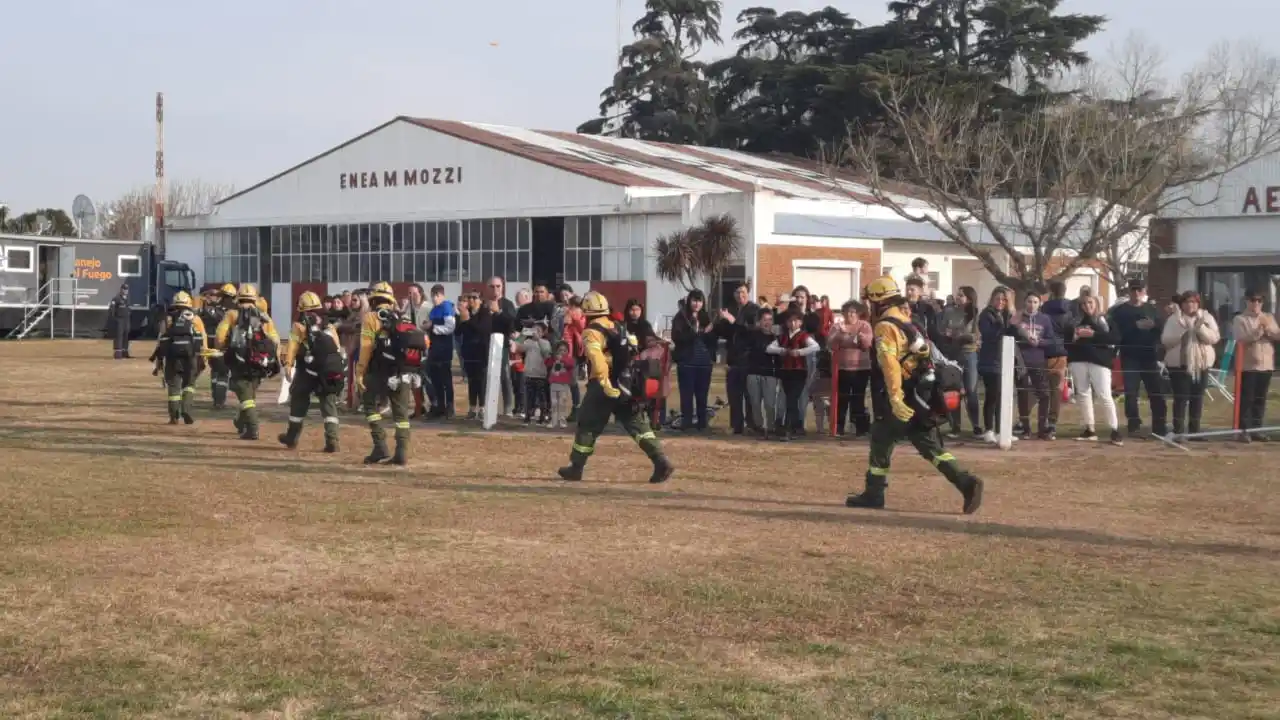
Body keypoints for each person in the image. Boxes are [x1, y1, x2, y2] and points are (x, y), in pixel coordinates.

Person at [845, 276, 983, 514]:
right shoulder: (909, 322)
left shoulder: (885, 327)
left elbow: (889, 365)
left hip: (899, 397)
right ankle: (965, 482)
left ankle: (874, 493)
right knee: (923, 444)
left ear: (878, 301)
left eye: (869, 301)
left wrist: (895, 398)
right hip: (920, 396)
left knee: (883, 438)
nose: (867, 305)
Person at [556, 291, 673, 484]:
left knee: (587, 424)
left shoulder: (592, 331)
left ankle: (576, 467)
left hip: (603, 385)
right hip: (626, 383)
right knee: (637, 423)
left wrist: (603, 382)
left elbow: (596, 358)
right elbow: (634, 346)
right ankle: (660, 461)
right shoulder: (617, 326)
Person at [355, 282, 421, 464]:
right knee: (401, 415)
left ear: (374, 299)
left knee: (369, 404)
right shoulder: (402, 317)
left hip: (379, 372)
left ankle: (380, 446)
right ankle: (401, 452)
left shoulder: (370, 317)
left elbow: (366, 347)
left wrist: (359, 371)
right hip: (404, 371)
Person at [278, 292, 345, 453]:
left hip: (306, 371)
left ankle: (292, 437)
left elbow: (292, 346)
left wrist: (288, 365)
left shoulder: (299, 326)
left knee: (298, 401)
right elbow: (336, 347)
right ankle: (332, 440)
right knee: (328, 404)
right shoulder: (329, 325)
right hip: (327, 370)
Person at [214, 284, 281, 440]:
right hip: (259, 362)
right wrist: (272, 359)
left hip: (239, 360)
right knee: (249, 394)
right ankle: (240, 421)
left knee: (244, 393)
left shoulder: (232, 314)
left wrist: (222, 347)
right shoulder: (264, 316)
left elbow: (219, 337)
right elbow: (275, 340)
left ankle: (252, 428)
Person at [1109, 279, 1168, 438]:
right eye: (1133, 290)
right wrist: (1134, 327)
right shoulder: (1120, 311)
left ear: (1144, 291)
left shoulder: (1152, 309)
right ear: (1129, 291)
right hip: (1129, 355)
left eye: (1139, 290)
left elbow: (1161, 330)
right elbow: (1115, 333)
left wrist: (1153, 327)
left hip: (1149, 355)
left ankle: (1159, 424)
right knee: (1131, 392)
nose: (1136, 293)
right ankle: (1133, 423)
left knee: (1155, 390)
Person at [1064, 294, 1122, 445]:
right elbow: (1066, 340)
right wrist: (1074, 337)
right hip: (1078, 360)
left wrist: (1094, 334)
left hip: (1100, 361)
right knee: (1083, 394)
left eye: (1090, 302)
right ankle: (1089, 429)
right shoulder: (1074, 321)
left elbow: (1115, 339)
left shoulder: (1105, 320)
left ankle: (1114, 429)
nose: (1087, 306)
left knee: (1105, 395)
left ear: (1096, 303)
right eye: (1083, 303)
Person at [1160, 291, 1220, 439]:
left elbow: (1214, 338)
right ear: (1182, 304)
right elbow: (1165, 340)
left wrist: (1200, 328)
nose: (1190, 305)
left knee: (1197, 398)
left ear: (1198, 303)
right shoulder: (1174, 319)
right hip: (1179, 364)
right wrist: (1182, 331)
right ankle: (1178, 431)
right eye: (1187, 302)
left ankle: (1195, 431)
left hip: (1201, 365)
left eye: (1193, 302)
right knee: (1180, 398)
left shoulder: (1206, 317)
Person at [150, 291, 208, 425]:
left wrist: (159, 361)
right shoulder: (195, 318)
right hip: (191, 357)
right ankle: (186, 409)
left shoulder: (167, 319)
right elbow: (203, 338)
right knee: (189, 384)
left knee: (174, 388)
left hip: (172, 358)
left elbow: (161, 340)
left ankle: (174, 416)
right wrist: (203, 357)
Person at [1233, 291, 1280, 441]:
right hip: (1248, 365)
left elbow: (1277, 335)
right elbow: (1243, 338)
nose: (1256, 304)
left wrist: (1267, 329)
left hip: (1266, 364)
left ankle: (1257, 428)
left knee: (1261, 398)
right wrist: (1259, 330)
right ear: (1247, 301)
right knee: (1247, 398)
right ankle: (1243, 430)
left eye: (1259, 301)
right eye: (1253, 300)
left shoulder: (1268, 317)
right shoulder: (1240, 319)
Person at [938, 286, 982, 439]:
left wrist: (957, 335)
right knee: (954, 390)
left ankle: (976, 425)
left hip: (969, 354)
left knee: (971, 390)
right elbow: (942, 331)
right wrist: (954, 336)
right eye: (957, 294)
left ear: (969, 298)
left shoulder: (975, 314)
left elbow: (974, 337)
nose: (958, 297)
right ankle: (955, 427)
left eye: (961, 295)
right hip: (952, 355)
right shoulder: (949, 312)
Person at [670, 289, 716, 431]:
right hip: (686, 362)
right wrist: (694, 332)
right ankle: (687, 422)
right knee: (686, 394)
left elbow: (712, 340)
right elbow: (677, 338)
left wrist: (709, 333)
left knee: (702, 394)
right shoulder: (681, 317)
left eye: (700, 301)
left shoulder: (706, 317)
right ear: (689, 301)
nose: (697, 304)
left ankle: (702, 423)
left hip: (704, 363)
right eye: (694, 300)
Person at [717, 282, 759, 434]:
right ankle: (736, 425)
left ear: (748, 292)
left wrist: (733, 321)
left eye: (743, 292)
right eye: (737, 293)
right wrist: (722, 320)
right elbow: (725, 333)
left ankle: (752, 424)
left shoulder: (754, 310)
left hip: (748, 357)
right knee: (734, 394)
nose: (740, 296)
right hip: (733, 358)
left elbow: (751, 331)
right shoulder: (732, 309)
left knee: (749, 393)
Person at [827, 300, 874, 438]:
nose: (850, 314)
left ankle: (859, 427)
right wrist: (845, 337)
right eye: (847, 311)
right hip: (842, 368)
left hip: (861, 368)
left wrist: (848, 339)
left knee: (858, 398)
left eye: (853, 312)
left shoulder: (865, 325)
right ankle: (839, 427)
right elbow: (831, 342)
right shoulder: (837, 326)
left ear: (859, 313)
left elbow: (866, 344)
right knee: (842, 398)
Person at [977, 287, 1016, 443]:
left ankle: (1002, 430)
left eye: (1004, 300)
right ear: (992, 299)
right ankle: (989, 429)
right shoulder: (986, 315)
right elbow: (990, 334)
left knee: (1003, 396)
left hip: (1005, 360)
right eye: (998, 299)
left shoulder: (1007, 315)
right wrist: (1006, 326)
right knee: (992, 395)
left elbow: (1013, 333)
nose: (1000, 302)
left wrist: (1012, 323)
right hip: (990, 360)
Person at [199, 283, 236, 409]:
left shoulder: (208, 309)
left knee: (215, 370)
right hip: (223, 345)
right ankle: (219, 401)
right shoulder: (233, 311)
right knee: (223, 373)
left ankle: (216, 398)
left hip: (209, 345)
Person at [744, 308, 781, 434]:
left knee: (770, 403)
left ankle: (770, 427)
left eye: (770, 320)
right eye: (764, 320)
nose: (767, 323)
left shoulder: (776, 338)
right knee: (755, 402)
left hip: (770, 374)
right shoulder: (752, 336)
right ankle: (758, 426)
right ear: (759, 321)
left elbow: (779, 357)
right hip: (754, 373)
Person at [424, 285, 457, 420]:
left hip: (444, 348)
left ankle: (450, 406)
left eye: (437, 295)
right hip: (434, 348)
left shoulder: (446, 307)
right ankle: (440, 406)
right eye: (433, 295)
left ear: (442, 295)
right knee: (435, 378)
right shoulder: (433, 310)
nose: (434, 298)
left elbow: (450, 327)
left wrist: (433, 327)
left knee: (446, 379)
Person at [521, 322, 552, 425]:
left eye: (538, 330)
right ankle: (528, 416)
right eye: (533, 330)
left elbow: (546, 353)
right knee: (529, 397)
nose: (535, 332)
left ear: (543, 333)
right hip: (529, 374)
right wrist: (523, 335)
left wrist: (538, 340)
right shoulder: (528, 342)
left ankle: (542, 416)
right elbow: (518, 347)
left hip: (541, 375)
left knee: (542, 397)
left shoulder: (545, 342)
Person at [547, 341, 575, 428]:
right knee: (554, 403)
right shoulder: (554, 359)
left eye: (564, 350)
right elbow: (547, 363)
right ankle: (553, 421)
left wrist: (561, 359)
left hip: (563, 385)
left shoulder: (569, 359)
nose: (562, 352)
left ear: (567, 351)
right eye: (560, 350)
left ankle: (562, 421)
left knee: (562, 403)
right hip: (554, 384)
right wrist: (552, 357)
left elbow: (570, 364)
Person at [107, 284, 131, 359]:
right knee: (119, 336)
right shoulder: (116, 299)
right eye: (124, 289)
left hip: (126, 319)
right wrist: (115, 319)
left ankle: (125, 352)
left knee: (126, 335)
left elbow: (128, 309)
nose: (125, 291)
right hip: (119, 319)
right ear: (121, 289)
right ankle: (118, 353)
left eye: (126, 289)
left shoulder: (127, 299)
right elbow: (112, 310)